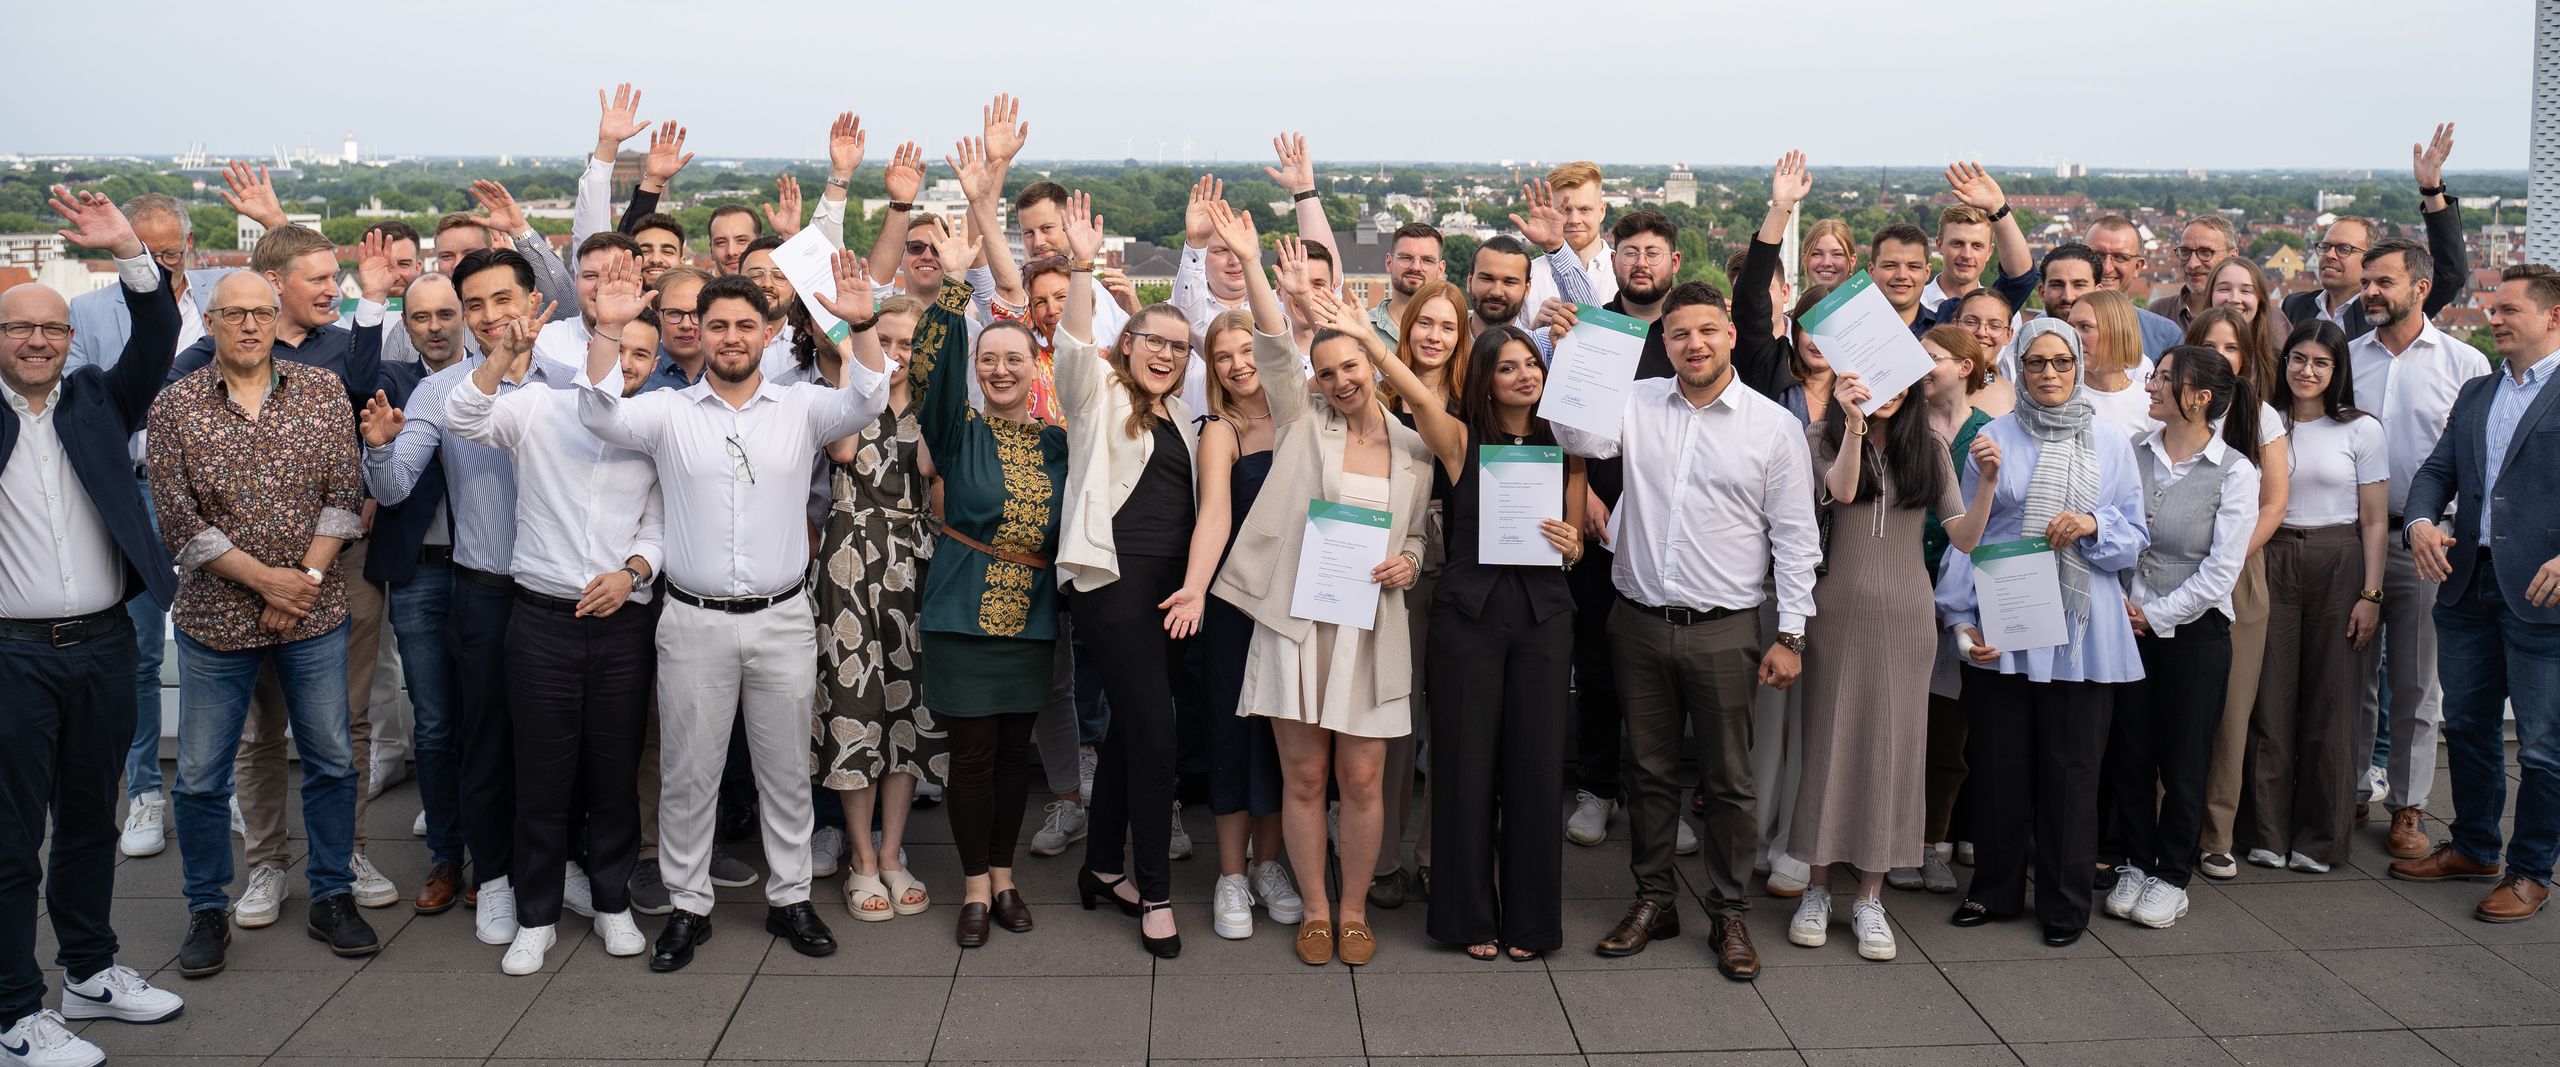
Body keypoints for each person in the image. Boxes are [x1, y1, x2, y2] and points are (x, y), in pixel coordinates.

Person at [576, 267, 891, 972]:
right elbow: (597, 414)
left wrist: (863, 325)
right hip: (693, 620)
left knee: (785, 770)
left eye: (745, 325)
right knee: (690, 773)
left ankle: (791, 898)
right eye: (716, 324)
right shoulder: (668, 412)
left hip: (782, 617)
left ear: (769, 332)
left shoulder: (802, 406)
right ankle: (689, 907)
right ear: (698, 332)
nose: (730, 337)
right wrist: (607, 330)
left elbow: (869, 398)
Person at [1556, 281, 1821, 981]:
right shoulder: (1636, 401)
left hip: (1725, 629)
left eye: (1706, 331)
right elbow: (1576, 439)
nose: (1693, 344)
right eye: (1679, 334)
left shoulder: (1772, 426)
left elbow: (1797, 539)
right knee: (1647, 773)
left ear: (1730, 334)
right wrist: (1576, 364)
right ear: (1664, 342)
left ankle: (1728, 911)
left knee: (1728, 780)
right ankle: (1654, 899)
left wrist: (1791, 634)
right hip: (1638, 622)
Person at [166, 221, 402, 920]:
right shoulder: (183, 390)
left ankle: (339, 868)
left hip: (324, 589)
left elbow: (344, 488)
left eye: (259, 315)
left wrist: (302, 579)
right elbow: (178, 514)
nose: (249, 326)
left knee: (337, 737)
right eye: (234, 314)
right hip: (224, 605)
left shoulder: (329, 376)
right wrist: (267, 581)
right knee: (242, 743)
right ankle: (258, 870)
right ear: (214, 320)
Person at [0, 188, 187, 1067]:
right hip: (12, 658)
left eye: (51, 328)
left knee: (89, 822)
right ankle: (14, 1012)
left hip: (105, 644)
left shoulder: (95, 401)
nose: (37, 340)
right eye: (18, 328)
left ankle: (89, 971)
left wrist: (129, 254)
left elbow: (157, 336)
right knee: (10, 840)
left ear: (71, 339)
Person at [440, 249, 665, 974]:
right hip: (540, 620)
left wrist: (632, 572)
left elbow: (661, 526)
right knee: (541, 777)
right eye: (613, 345)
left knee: (613, 775)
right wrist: (502, 353)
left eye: (639, 351)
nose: (624, 362)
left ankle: (611, 902)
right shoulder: (538, 405)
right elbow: (463, 415)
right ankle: (535, 915)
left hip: (623, 623)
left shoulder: (656, 423)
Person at [1211, 275, 1438, 970]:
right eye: (1327, 371)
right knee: (1305, 777)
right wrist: (1251, 265)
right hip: (1300, 627)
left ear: (1374, 363)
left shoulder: (1415, 449)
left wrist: (1409, 561)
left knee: (1363, 780)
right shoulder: (1302, 424)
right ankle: (1315, 908)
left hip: (1371, 631)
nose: (1341, 381)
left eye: (1351, 367)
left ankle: (1353, 910)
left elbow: (1418, 535)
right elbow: (1275, 350)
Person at [366, 248, 593, 932]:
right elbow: (394, 488)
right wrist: (380, 446)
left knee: (561, 742)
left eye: (503, 300)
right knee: (484, 738)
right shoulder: (441, 391)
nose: (491, 316)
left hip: (562, 593)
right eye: (476, 305)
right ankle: (492, 875)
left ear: (532, 302)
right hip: (486, 590)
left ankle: (559, 864)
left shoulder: (574, 380)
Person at [1369, 317, 1586, 961]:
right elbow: (1415, 392)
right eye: (1507, 366)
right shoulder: (1461, 439)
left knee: (1538, 770)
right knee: (1463, 766)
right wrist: (1366, 337)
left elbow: (1573, 543)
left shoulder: (1566, 441)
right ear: (1486, 380)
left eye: (1533, 364)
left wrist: (1573, 545)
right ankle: (1466, 917)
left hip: (1543, 619)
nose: (1525, 375)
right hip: (1468, 617)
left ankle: (1532, 922)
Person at [1935, 318, 2149, 948]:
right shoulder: (1992, 438)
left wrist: (2091, 523)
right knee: (2000, 764)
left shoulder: (2110, 441)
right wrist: (1961, 620)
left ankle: (2064, 902)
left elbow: (2135, 535)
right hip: (2008, 618)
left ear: (2079, 365)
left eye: (2062, 361)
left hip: (2081, 631)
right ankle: (1995, 889)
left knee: (2073, 770)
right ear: (2018, 368)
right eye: (2036, 362)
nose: (2049, 373)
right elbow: (1967, 536)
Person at [893, 222, 1069, 947]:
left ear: (1034, 369)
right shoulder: (957, 430)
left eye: (1013, 359)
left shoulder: (1058, 444)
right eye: (989, 359)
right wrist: (953, 289)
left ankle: (1005, 876)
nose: (1000, 370)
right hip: (961, 616)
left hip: (1031, 621)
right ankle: (972, 886)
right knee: (970, 759)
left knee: (1012, 759)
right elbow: (927, 369)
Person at [1049, 190, 1198, 959]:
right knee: (1158, 737)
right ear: (1126, 343)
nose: (1166, 354)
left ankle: (1102, 868)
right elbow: (1073, 348)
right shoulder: (1100, 393)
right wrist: (1081, 266)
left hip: (1172, 594)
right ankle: (1156, 894)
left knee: (1132, 734)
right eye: (1153, 341)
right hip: (1113, 584)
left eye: (1180, 346)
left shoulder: (1186, 418)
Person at [1784, 365, 1973, 962]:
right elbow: (1841, 493)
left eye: (1897, 380)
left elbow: (1964, 536)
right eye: (1873, 378)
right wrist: (1852, 425)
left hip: (1907, 615)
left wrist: (1990, 483)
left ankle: (1870, 896)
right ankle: (1817, 888)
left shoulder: (1930, 446)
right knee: (1828, 743)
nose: (1886, 392)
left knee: (1893, 749)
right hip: (1835, 611)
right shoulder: (1820, 437)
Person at [2392, 263, 2560, 924]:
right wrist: (2420, 520)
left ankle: (2531, 872)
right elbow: (2438, 471)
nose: (2494, 317)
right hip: (2466, 581)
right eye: (2493, 307)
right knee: (2465, 723)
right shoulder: (2478, 390)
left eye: (2510, 309)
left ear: (2553, 317)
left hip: (2542, 590)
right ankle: (2474, 847)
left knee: (2543, 745)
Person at [62, 192, 222, 864]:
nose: (158, 264)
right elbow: (75, 405)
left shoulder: (224, 294)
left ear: (190, 242)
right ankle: (146, 789)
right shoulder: (87, 310)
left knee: (225, 641)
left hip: (221, 493)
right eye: (144, 251)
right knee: (139, 649)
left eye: (169, 251)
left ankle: (221, 783)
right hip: (134, 492)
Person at [1163, 235, 1310, 941]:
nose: (1237, 364)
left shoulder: (1304, 415)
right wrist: (1195, 588)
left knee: (1283, 737)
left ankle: (1268, 864)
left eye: (1246, 350)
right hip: (1234, 604)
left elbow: (1285, 337)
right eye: (1222, 357)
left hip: (1298, 602)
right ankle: (1229, 874)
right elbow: (1215, 515)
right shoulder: (1217, 430)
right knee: (1231, 730)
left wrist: (1257, 271)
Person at [2102, 347, 2261, 930]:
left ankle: (2171, 875)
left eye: (2165, 378)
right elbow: (2114, 527)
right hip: (2127, 625)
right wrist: (2125, 606)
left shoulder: (2237, 472)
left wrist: (2155, 614)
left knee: (2184, 758)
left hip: (2195, 635)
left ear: (2199, 397)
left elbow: (2221, 571)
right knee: (2130, 751)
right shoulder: (2133, 451)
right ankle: (2135, 862)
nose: (2151, 385)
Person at [2348, 236, 2490, 861]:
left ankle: (2407, 806)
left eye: (2384, 281)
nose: (2370, 292)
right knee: (2350, 677)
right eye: (2366, 282)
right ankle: (2350, 790)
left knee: (2415, 682)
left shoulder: (2465, 365)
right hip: (2349, 538)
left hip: (2426, 542)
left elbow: (2478, 461)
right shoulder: (2345, 358)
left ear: (2421, 287)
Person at [810, 287, 941, 926]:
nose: (893, 353)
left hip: (914, 561)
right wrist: (855, 363)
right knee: (853, 704)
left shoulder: (934, 406)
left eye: (906, 343)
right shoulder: (843, 397)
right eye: (882, 340)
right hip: (850, 558)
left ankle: (893, 852)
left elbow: (935, 472)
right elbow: (841, 452)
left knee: (908, 709)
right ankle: (861, 857)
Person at [2240, 322, 2386, 877]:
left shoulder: (2361, 429)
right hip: (2272, 555)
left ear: (2337, 370)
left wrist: (2371, 594)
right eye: (2298, 359)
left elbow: (2374, 520)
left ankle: (2321, 839)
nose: (2306, 371)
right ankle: (2266, 831)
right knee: (2269, 698)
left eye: (2321, 362)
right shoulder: (2263, 421)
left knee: (2332, 701)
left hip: (2338, 560)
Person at [354, 272, 474, 914]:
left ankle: (492, 855)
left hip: (489, 572)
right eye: (421, 316)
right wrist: (371, 300)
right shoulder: (392, 383)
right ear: (406, 324)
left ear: (465, 316)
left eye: (445, 314)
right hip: (421, 572)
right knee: (433, 722)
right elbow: (353, 376)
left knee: (490, 717)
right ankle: (446, 855)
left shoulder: (501, 378)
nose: (435, 327)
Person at [1910, 325, 1997, 893]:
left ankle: (1929, 842)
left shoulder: (1991, 434)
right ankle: (1887, 839)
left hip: (1964, 597)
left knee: (1947, 733)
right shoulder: (1902, 425)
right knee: (1897, 725)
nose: (1920, 367)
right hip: (1901, 588)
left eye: (1932, 358)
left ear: (1965, 367)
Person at [1916, 162, 2039, 328]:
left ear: (1990, 251)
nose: (1966, 255)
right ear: (1939, 245)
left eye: (1977, 246)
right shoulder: (1914, 303)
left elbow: (2022, 278)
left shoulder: (2002, 309)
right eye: (1957, 244)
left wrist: (1997, 207)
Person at [1521, 161, 1618, 318]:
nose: (1574, 220)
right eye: (1565, 210)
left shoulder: (1626, 274)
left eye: (1584, 210)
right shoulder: (1529, 274)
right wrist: (1536, 328)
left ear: (1602, 211)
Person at [2083, 215, 2188, 358]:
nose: (2106, 268)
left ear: (2138, 267)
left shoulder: (2165, 336)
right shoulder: (2055, 326)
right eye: (2096, 255)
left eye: (2120, 257)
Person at [2068, 290, 2154, 434]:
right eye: (2070, 327)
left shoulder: (2151, 402)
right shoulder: (2060, 394)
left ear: (2117, 332)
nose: (2072, 336)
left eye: (2085, 327)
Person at [2147, 216, 2238, 331]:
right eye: (2185, 251)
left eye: (2205, 252)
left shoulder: (2249, 316)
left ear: (2232, 256)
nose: (2192, 264)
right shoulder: (2158, 314)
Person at [1370, 223, 1446, 346]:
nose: (1416, 267)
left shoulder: (1457, 332)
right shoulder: (1361, 329)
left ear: (1441, 270)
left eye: (1427, 260)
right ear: (1389, 263)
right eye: (1406, 258)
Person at [2208, 255, 2293, 357]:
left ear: (2259, 299)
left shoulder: (2279, 357)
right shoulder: (2193, 348)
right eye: (2224, 289)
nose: (2234, 299)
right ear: (2210, 294)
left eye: (2245, 291)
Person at [1801, 217, 1857, 291]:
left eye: (1837, 254)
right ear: (1804, 259)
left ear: (1852, 260)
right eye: (1817, 254)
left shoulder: (1869, 297)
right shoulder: (1794, 298)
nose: (1826, 263)